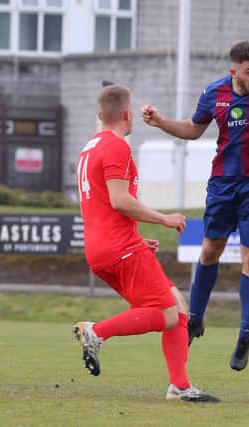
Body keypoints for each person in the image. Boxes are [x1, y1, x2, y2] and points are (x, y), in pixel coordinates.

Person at [141, 41, 249, 371]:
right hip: (223, 185)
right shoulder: (215, 92)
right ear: (234, 71)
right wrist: (162, 122)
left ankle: (245, 335)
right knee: (210, 251)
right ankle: (195, 320)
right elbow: (194, 130)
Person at [73, 84, 218, 402]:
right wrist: (164, 219)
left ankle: (179, 385)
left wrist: (136, 238)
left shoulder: (89, 147)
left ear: (101, 114)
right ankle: (97, 332)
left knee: (176, 304)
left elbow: (102, 204)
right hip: (118, 247)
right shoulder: (116, 147)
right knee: (168, 314)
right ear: (127, 114)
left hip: (105, 248)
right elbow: (119, 200)